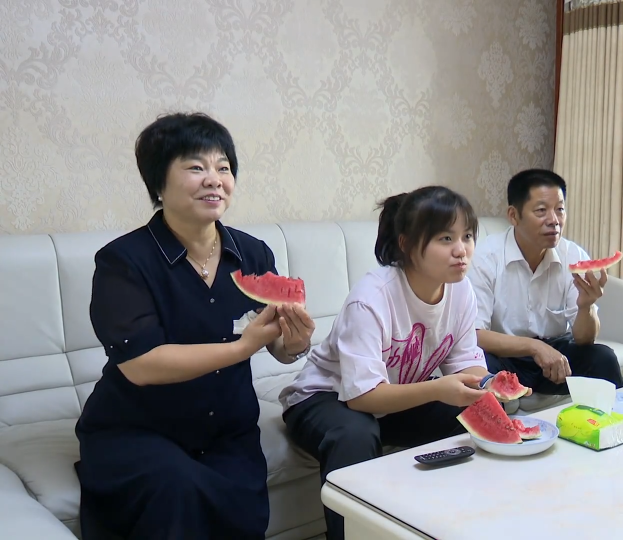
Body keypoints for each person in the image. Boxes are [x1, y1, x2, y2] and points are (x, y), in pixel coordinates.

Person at [74, 112, 317, 540]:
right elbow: (141, 364)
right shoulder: (123, 261)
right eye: (195, 167)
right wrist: (240, 348)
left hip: (228, 432)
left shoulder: (253, 254)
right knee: (175, 490)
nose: (214, 180)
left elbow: (277, 346)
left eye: (223, 168)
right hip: (139, 430)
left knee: (240, 514)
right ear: (158, 184)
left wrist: (295, 343)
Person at [279, 186, 519, 540]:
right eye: (445, 238)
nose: (461, 250)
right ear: (406, 244)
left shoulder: (461, 290)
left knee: (475, 415)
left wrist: (488, 385)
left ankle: (455, 525)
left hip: (393, 397)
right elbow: (362, 397)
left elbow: (464, 363)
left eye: (467, 236)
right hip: (324, 398)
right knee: (355, 435)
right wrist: (438, 389)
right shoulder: (371, 299)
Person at [467, 168, 623, 399]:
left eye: (560, 209)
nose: (554, 220)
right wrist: (534, 347)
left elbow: (584, 339)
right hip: (505, 355)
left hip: (556, 355)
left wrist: (586, 306)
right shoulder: (485, 258)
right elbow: (476, 334)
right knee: (478, 368)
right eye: (541, 211)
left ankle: (612, 420)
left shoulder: (573, 255)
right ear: (513, 215)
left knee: (603, 358)